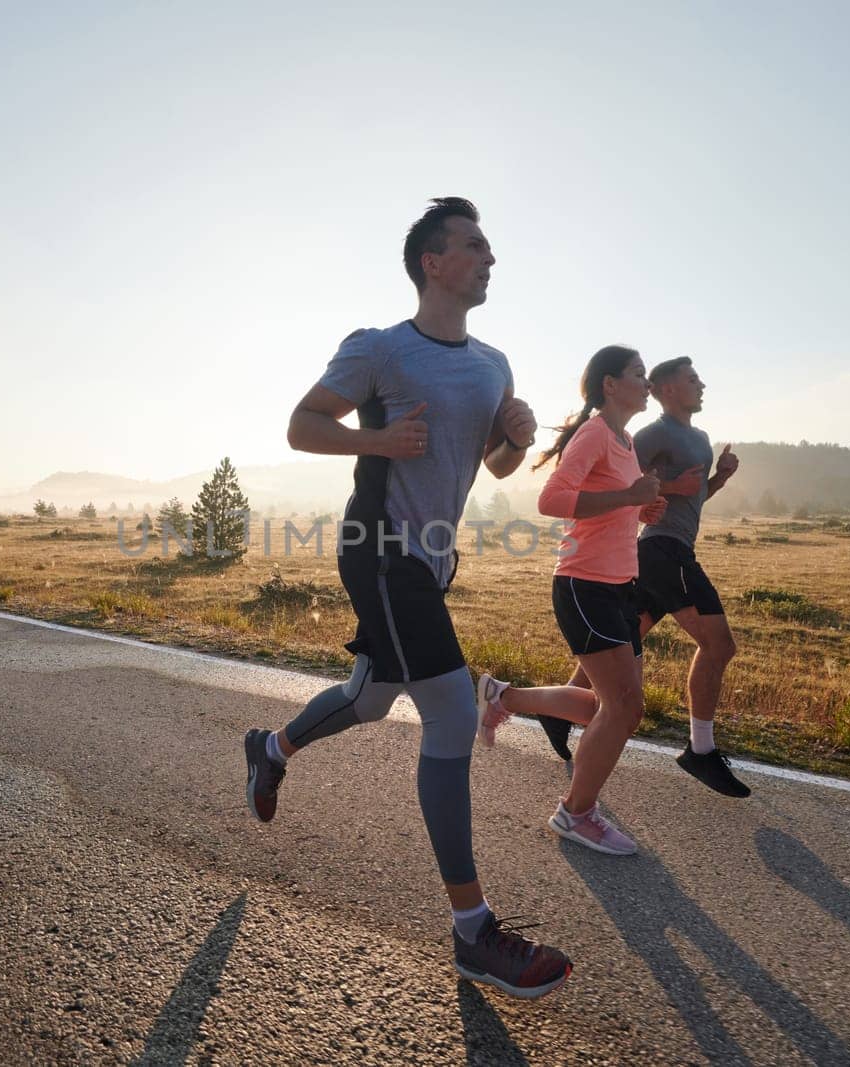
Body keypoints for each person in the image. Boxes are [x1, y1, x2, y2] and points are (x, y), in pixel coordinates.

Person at [241, 197, 572, 999]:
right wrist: (374, 439)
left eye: (490, 245)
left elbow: (490, 466)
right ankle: (473, 932)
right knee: (453, 714)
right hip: (379, 548)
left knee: (370, 698)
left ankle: (270, 749)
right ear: (433, 262)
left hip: (430, 560)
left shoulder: (494, 363)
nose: (490, 257)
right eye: (474, 245)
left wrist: (517, 439)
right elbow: (300, 424)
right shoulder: (380, 349)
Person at [525, 357, 748, 796]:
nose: (702, 384)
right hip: (660, 550)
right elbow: (613, 483)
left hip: (651, 554)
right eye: (692, 379)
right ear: (668, 390)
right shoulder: (648, 433)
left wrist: (716, 479)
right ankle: (699, 749)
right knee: (718, 644)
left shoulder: (694, 437)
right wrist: (657, 492)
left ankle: (558, 712)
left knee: (625, 648)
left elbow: (682, 495)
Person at [474, 345, 665, 855]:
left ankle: (502, 697)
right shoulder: (596, 433)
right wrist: (629, 497)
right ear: (610, 384)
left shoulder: (624, 441)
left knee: (613, 706)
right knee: (624, 707)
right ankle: (575, 814)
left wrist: (640, 510)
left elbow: (605, 509)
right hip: (585, 586)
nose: (647, 384)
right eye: (639, 375)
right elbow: (552, 499)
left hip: (619, 586)